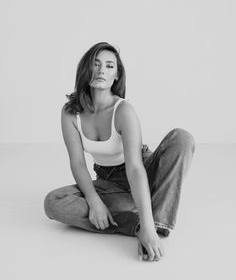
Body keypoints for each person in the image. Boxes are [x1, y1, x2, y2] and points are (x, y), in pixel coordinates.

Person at [44, 42, 195, 262]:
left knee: (182, 137)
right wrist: (94, 201)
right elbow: (77, 163)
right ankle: (139, 223)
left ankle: (155, 226)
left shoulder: (123, 110)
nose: (101, 70)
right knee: (53, 202)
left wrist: (149, 225)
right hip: (109, 182)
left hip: (143, 171)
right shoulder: (70, 113)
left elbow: (135, 168)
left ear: (116, 75)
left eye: (109, 65)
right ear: (86, 69)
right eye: (95, 64)